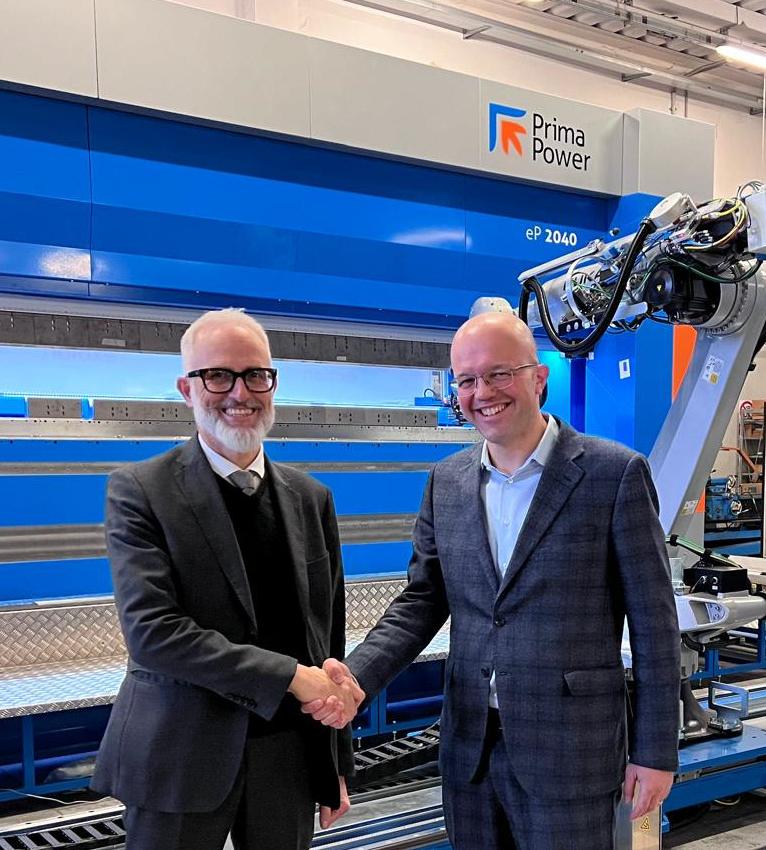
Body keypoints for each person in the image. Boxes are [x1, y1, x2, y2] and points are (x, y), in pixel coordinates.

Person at [303, 310, 681, 850]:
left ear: (539, 378)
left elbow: (654, 624)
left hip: (571, 751)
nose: (483, 393)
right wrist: (356, 677)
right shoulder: (447, 481)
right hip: (470, 749)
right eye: (467, 380)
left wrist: (655, 751)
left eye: (500, 373)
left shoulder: (613, 474)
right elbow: (422, 601)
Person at [92, 308, 363, 850]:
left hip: (286, 756)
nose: (240, 393)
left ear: (272, 384)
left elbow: (327, 640)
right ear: (186, 389)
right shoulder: (141, 490)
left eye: (255, 375)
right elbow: (153, 635)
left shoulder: (311, 498)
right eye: (218, 375)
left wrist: (332, 761)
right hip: (180, 753)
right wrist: (291, 676)